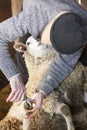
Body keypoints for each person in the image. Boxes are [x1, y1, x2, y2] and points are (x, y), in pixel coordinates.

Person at [0, 0, 87, 117]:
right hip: (38, 10)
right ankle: (21, 98)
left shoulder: (80, 31)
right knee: (23, 56)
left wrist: (42, 91)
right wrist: (13, 76)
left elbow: (64, 64)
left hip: (64, 20)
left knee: (77, 64)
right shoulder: (31, 16)